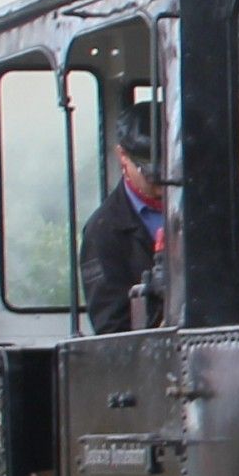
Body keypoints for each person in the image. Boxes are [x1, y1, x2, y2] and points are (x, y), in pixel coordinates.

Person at [77, 103, 164, 329]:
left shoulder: (228, 200)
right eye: (150, 172)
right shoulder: (102, 232)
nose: (164, 183)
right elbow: (112, 328)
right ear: (122, 156)